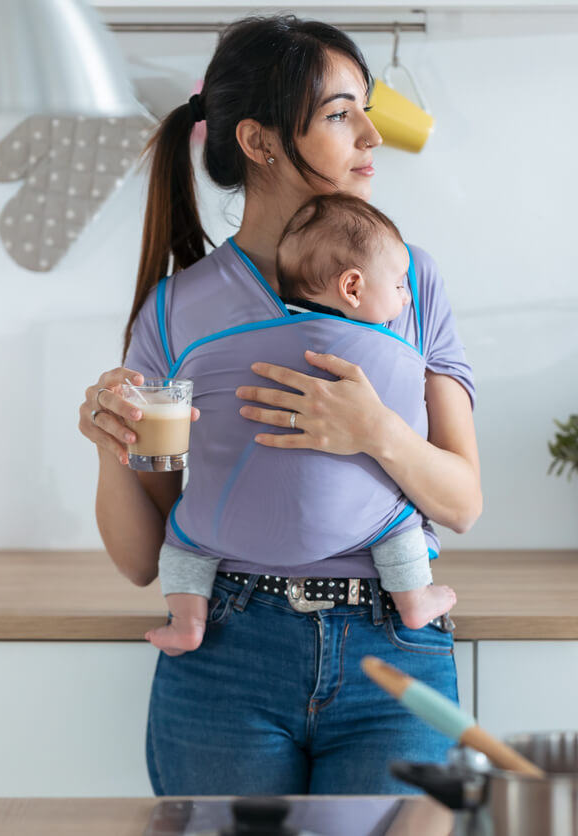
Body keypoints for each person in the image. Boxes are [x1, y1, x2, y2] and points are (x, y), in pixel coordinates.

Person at [77, 14, 481, 796]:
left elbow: (462, 503)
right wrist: (106, 447)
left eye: (365, 106)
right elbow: (139, 559)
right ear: (261, 143)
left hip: (392, 643)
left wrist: (378, 432)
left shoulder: (408, 280)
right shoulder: (173, 312)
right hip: (225, 654)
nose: (371, 133)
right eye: (339, 113)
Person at [146, 193, 458, 656]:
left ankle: (186, 620)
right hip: (367, 568)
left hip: (221, 553)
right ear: (352, 288)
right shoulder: (387, 355)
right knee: (399, 525)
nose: (405, 295)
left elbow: (463, 507)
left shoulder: (200, 329)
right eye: (397, 287)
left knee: (183, 540)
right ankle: (413, 598)